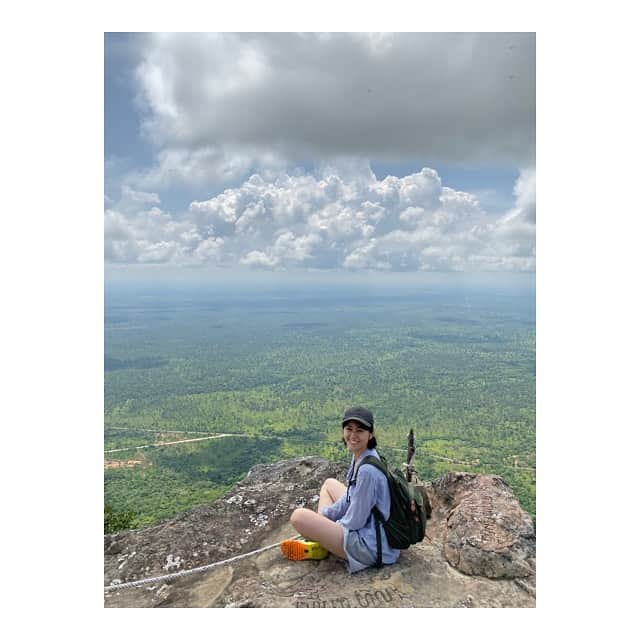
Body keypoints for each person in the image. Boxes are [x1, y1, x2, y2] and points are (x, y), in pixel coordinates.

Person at [280, 406, 400, 573]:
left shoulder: (367, 470)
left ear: (370, 434)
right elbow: (350, 497)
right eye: (349, 429)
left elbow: (356, 520)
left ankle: (322, 545)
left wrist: (329, 526)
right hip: (372, 529)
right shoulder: (364, 455)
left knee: (298, 517)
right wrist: (324, 518)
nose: (353, 435)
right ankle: (324, 541)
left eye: (360, 430)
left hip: (371, 548)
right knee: (329, 484)